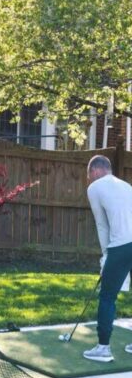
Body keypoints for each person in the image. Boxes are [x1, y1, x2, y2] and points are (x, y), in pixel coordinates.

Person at [83, 155, 132, 362]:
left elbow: (102, 225)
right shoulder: (127, 186)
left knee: (107, 296)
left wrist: (106, 256)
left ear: (95, 170)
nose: (90, 180)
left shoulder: (94, 188)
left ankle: (103, 348)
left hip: (121, 245)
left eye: (89, 176)